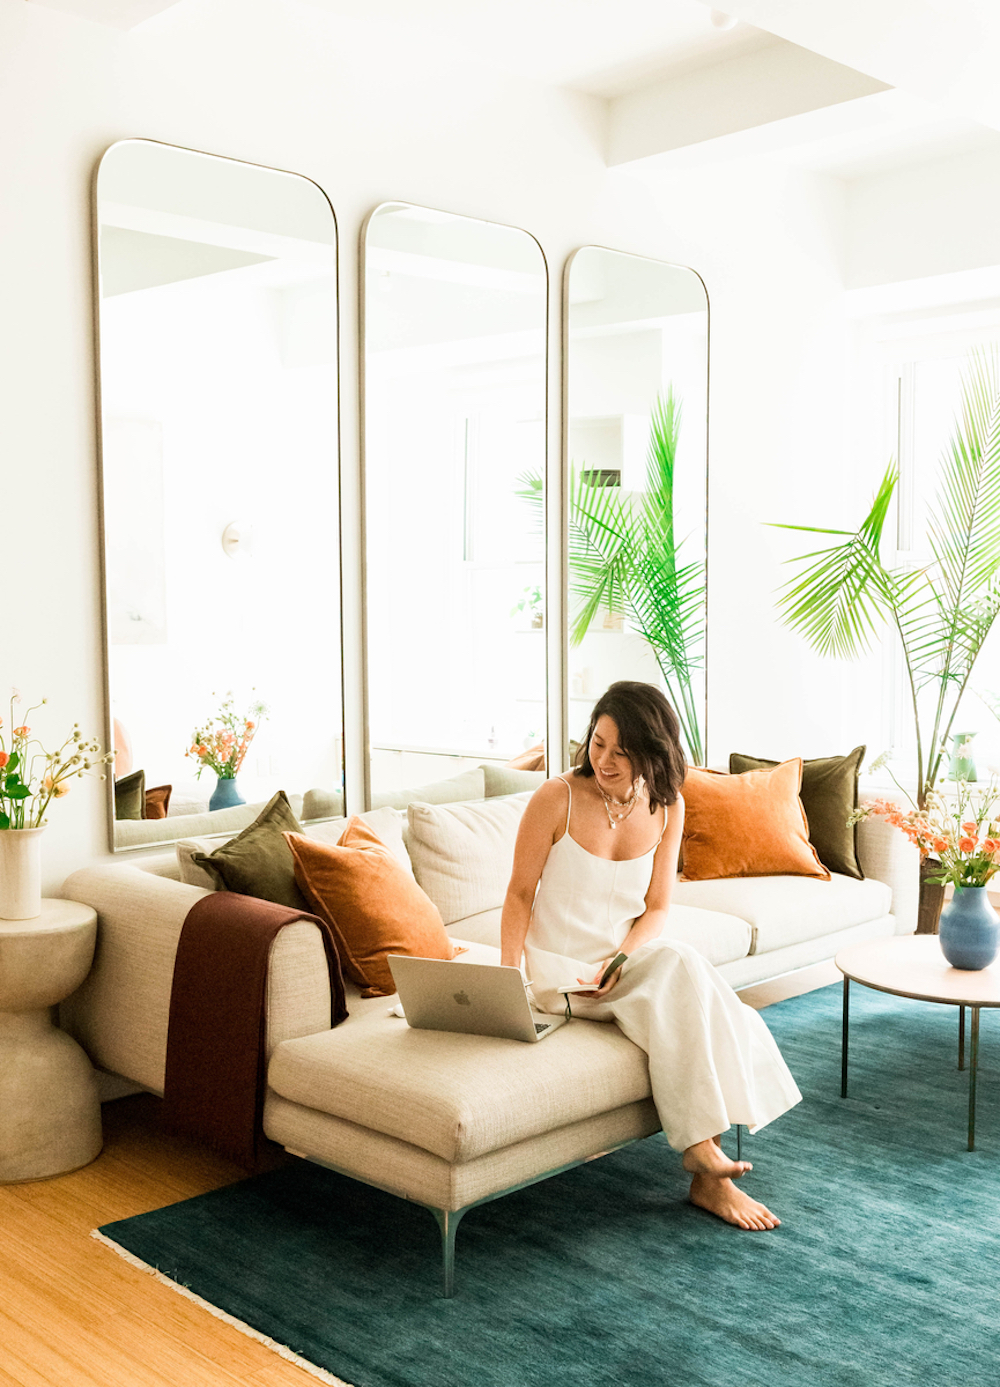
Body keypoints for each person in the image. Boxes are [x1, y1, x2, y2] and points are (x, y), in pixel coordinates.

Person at [500, 680, 801, 1231]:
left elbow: (657, 908)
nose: (606, 760)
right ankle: (704, 1162)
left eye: (622, 749)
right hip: (557, 973)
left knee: (677, 967)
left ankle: (706, 1165)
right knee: (685, 971)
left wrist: (619, 959)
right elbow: (519, 894)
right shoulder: (556, 798)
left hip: (619, 966)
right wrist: (506, 977)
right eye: (598, 743)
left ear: (652, 751)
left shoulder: (667, 806)